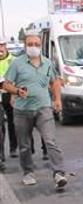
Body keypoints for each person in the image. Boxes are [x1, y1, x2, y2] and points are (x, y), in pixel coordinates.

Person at [3, 33, 67, 189]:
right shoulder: (17, 64)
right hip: (22, 110)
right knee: (24, 145)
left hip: (43, 108)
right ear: (25, 46)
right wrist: (17, 91)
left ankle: (59, 173)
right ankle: (28, 172)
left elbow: (55, 82)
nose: (33, 47)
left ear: (40, 45)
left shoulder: (47, 63)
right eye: (30, 44)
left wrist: (57, 100)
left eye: (36, 44)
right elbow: (6, 84)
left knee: (50, 141)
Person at [0, 37, 16, 164]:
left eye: (1, 45)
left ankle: (13, 148)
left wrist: (14, 94)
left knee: (13, 122)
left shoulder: (13, 60)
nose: (0, 49)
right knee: (1, 127)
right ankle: (1, 156)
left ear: (5, 46)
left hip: (11, 94)